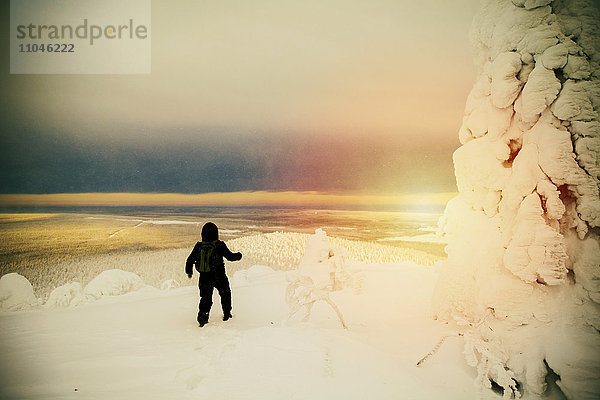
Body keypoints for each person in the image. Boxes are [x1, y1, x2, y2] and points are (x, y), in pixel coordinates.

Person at [186, 222, 242, 327]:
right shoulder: (219, 245)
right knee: (225, 294)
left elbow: (189, 261)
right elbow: (230, 257)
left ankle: (202, 319)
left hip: (204, 277)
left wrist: (189, 272)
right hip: (219, 276)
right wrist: (239, 255)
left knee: (205, 298)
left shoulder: (199, 246)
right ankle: (227, 315)